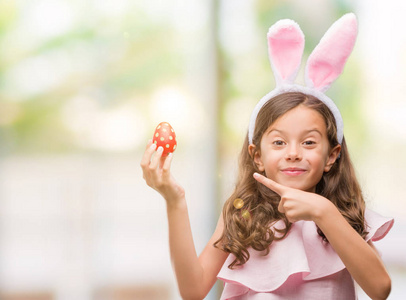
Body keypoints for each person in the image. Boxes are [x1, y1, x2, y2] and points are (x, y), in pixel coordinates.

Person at [140, 13, 393, 300]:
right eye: (279, 142)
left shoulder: (341, 214)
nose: (294, 153)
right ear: (257, 156)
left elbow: (380, 288)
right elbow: (192, 290)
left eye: (309, 142)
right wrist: (175, 201)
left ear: (332, 156)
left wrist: (323, 212)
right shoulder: (241, 213)